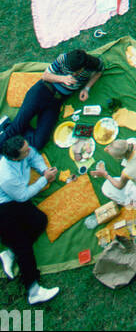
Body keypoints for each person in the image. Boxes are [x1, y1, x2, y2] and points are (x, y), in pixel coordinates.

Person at [4, 49, 104, 156]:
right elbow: (45, 76)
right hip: (41, 92)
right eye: (72, 71)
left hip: (56, 102)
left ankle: (16, 126)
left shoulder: (92, 63)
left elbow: (99, 71)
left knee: (39, 142)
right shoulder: (63, 59)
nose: (74, 74)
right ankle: (10, 131)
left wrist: (86, 88)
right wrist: (63, 78)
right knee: (15, 128)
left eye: (77, 71)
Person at [0, 137, 61, 307]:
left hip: (16, 197)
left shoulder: (24, 151)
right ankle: (33, 290)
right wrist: (45, 180)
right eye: (25, 151)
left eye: (27, 147)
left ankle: (10, 253)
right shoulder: (6, 176)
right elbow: (22, 196)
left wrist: (44, 171)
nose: (29, 150)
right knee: (24, 247)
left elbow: (34, 156)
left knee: (40, 220)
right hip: (4, 206)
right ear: (14, 158)